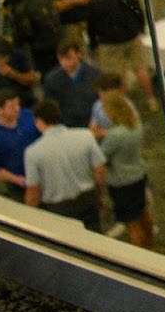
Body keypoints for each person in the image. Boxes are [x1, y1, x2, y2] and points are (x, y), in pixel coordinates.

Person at [24, 98, 106, 231]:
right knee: (95, 239)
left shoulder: (33, 152)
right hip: (87, 199)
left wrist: (30, 215)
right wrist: (100, 194)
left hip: (58, 208)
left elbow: (33, 191)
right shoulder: (85, 136)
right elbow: (99, 170)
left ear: (39, 122)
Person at [87, 0, 155, 109]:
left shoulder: (97, 0)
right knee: (141, 69)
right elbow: (138, 12)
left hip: (110, 43)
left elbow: (91, 24)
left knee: (118, 76)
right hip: (131, 37)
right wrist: (140, 29)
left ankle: (123, 106)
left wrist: (93, 43)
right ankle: (151, 99)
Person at [99, 92, 154, 248]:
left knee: (132, 223)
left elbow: (102, 157)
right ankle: (150, 247)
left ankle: (140, 255)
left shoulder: (115, 135)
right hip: (138, 174)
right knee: (143, 213)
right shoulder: (136, 124)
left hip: (121, 182)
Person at [0, 87, 40, 198]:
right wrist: (18, 180)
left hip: (41, 176)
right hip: (20, 185)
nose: (17, 109)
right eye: (12, 107)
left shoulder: (28, 115)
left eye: (18, 105)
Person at [42, 36, 103, 129]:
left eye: (68, 58)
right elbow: (50, 109)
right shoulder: (52, 79)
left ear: (79, 54)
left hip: (92, 124)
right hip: (66, 127)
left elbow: (102, 101)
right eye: (61, 59)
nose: (64, 63)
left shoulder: (96, 75)